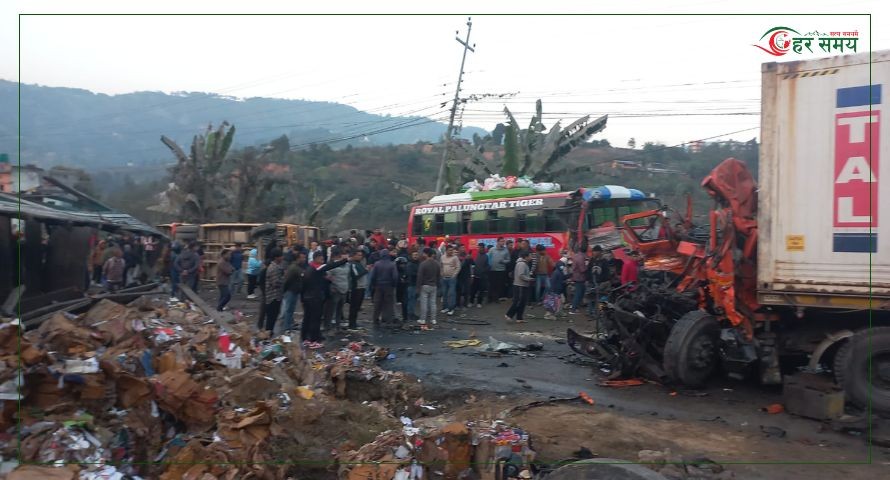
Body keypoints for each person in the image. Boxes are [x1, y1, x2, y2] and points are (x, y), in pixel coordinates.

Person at [300, 252, 348, 345]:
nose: (323, 262)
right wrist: (344, 260)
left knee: (307, 318)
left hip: (308, 297)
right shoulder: (317, 267)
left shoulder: (308, 269)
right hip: (315, 297)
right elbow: (331, 266)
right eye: (321, 259)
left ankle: (305, 336)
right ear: (316, 259)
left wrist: (302, 298)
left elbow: (304, 285)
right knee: (315, 318)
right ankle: (314, 338)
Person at [369, 249, 399, 326]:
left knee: (377, 303)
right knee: (389, 304)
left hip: (378, 286)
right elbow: (395, 276)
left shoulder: (377, 264)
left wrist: (373, 285)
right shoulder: (392, 264)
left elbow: (372, 276)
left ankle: (375, 320)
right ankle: (388, 320)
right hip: (389, 286)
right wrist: (394, 285)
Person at [323, 247, 349, 331]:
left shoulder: (347, 265)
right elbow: (326, 275)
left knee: (340, 309)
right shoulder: (333, 265)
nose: (345, 256)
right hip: (335, 290)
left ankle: (338, 326)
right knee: (331, 310)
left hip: (344, 290)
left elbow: (348, 277)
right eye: (343, 255)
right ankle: (328, 326)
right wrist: (331, 284)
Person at [280, 251, 307, 333]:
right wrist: (284, 291)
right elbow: (287, 280)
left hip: (294, 291)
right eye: (303, 257)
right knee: (289, 310)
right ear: (298, 258)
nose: (304, 259)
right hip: (291, 291)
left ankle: (289, 326)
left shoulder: (298, 267)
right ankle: (286, 328)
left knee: (290, 310)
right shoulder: (294, 268)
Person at [505, 250, 533, 323]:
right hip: (520, 285)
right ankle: (509, 314)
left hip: (522, 285)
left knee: (522, 302)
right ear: (526, 257)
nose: (531, 257)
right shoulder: (522, 264)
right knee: (518, 302)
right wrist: (529, 279)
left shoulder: (523, 263)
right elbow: (521, 275)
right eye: (530, 256)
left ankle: (519, 318)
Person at [416, 248, 441, 326]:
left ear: (427, 254)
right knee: (433, 303)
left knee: (424, 303)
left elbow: (419, 277)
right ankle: (433, 319)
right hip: (434, 286)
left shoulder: (423, 264)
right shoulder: (437, 264)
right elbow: (438, 275)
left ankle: (423, 319)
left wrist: (418, 287)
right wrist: (437, 284)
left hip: (425, 286)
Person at [263, 249, 286, 335]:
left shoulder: (276, 267)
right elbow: (275, 283)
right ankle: (267, 337)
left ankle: (268, 336)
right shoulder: (274, 268)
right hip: (273, 297)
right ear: (276, 257)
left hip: (275, 297)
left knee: (272, 318)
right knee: (271, 319)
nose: (282, 257)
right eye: (281, 256)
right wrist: (284, 279)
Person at [347, 249, 369, 330]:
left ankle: (354, 322)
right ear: (354, 256)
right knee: (354, 306)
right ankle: (351, 323)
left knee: (357, 306)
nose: (360, 256)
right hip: (356, 288)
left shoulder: (359, 264)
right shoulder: (353, 264)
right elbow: (356, 275)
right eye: (359, 255)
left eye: (361, 255)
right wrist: (366, 270)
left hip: (362, 287)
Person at [439, 245, 460, 316]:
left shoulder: (455, 258)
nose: (451, 251)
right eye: (450, 250)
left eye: (452, 250)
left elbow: (458, 267)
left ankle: (451, 309)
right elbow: (441, 266)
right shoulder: (442, 257)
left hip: (452, 279)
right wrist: (441, 273)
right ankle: (445, 307)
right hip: (444, 278)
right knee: (444, 293)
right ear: (446, 250)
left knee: (451, 294)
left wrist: (454, 275)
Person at [488, 238, 510, 302]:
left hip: (501, 270)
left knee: (499, 285)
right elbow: (488, 258)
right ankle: (490, 298)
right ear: (497, 242)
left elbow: (508, 260)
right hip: (492, 270)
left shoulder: (506, 250)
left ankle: (497, 298)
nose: (503, 243)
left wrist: (503, 261)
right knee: (492, 285)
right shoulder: (492, 249)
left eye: (503, 241)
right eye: (501, 241)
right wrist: (489, 265)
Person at [569, 247, 587, 314]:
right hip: (580, 278)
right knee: (578, 293)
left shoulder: (576, 256)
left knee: (580, 293)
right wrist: (587, 267)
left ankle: (575, 307)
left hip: (576, 277)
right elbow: (582, 269)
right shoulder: (581, 257)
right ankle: (573, 309)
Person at [471, 243, 489, 308]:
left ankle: (479, 303)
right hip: (475, 276)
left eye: (480, 248)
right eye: (478, 247)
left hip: (482, 277)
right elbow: (474, 264)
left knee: (481, 291)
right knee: (473, 290)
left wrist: (483, 271)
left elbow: (488, 266)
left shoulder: (486, 256)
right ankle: (471, 302)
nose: (478, 249)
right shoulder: (477, 255)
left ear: (483, 248)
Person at [404, 250, 420, 321]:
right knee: (411, 300)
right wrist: (419, 274)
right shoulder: (410, 264)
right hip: (411, 284)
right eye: (414, 255)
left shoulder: (418, 263)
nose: (416, 256)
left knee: (413, 300)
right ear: (411, 256)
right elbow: (410, 274)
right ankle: (410, 314)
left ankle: (411, 313)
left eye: (417, 255)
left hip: (415, 284)